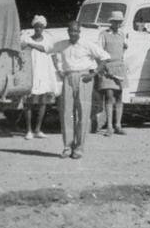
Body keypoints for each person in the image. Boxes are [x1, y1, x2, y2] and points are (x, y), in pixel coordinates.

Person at [28, 21, 110, 159]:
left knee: (83, 113)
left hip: (84, 78)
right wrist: (29, 44)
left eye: (76, 31)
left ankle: (79, 147)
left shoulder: (87, 44)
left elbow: (105, 57)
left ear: (79, 32)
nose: (73, 34)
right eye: (71, 31)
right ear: (68, 31)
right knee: (66, 112)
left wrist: (93, 73)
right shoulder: (62, 44)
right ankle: (67, 147)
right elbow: (46, 48)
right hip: (68, 78)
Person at [19, 15, 58, 140]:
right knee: (29, 102)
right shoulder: (26, 40)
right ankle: (29, 130)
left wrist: (57, 69)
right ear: (33, 27)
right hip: (32, 72)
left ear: (44, 28)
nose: (38, 29)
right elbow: (21, 51)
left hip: (44, 72)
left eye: (41, 27)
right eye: (36, 26)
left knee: (42, 102)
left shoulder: (47, 40)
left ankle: (38, 129)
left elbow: (52, 54)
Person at [97, 11, 128, 136]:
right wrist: (104, 67)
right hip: (107, 67)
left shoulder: (121, 34)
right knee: (109, 96)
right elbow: (99, 51)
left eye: (119, 21)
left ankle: (118, 125)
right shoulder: (103, 34)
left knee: (119, 97)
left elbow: (124, 48)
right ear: (111, 22)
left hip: (119, 67)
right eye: (115, 21)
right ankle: (109, 126)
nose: (118, 24)